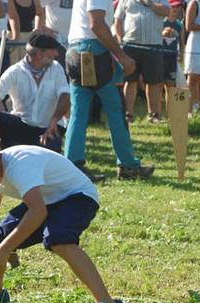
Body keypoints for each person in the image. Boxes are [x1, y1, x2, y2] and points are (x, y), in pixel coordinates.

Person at [0, 126, 131, 303]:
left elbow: (38, 212)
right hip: (45, 201)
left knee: (59, 240)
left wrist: (5, 250)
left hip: (77, 197)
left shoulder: (19, 165)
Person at [63, 0, 155, 181]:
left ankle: (72, 166)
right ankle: (128, 165)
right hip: (92, 52)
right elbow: (96, 24)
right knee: (116, 110)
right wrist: (122, 56)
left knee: (78, 114)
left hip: (75, 50)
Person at [0, 33, 68, 152]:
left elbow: (65, 95)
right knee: (0, 122)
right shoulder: (15, 71)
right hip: (20, 125)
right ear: (39, 54)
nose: (56, 54)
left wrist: (54, 120)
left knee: (48, 156)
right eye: (53, 50)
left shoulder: (57, 68)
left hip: (48, 128)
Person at [114, 0, 170, 123]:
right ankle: (128, 114)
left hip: (154, 45)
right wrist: (119, 40)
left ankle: (154, 115)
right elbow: (118, 19)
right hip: (130, 44)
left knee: (154, 82)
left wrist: (150, 4)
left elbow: (168, 11)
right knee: (130, 80)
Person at [161, 0, 183, 115]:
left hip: (172, 58)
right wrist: (163, 33)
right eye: (173, 6)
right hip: (160, 57)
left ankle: (170, 114)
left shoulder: (179, 25)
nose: (176, 8)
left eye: (178, 6)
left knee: (170, 87)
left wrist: (182, 55)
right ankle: (157, 113)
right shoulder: (161, 21)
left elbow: (182, 42)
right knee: (158, 85)